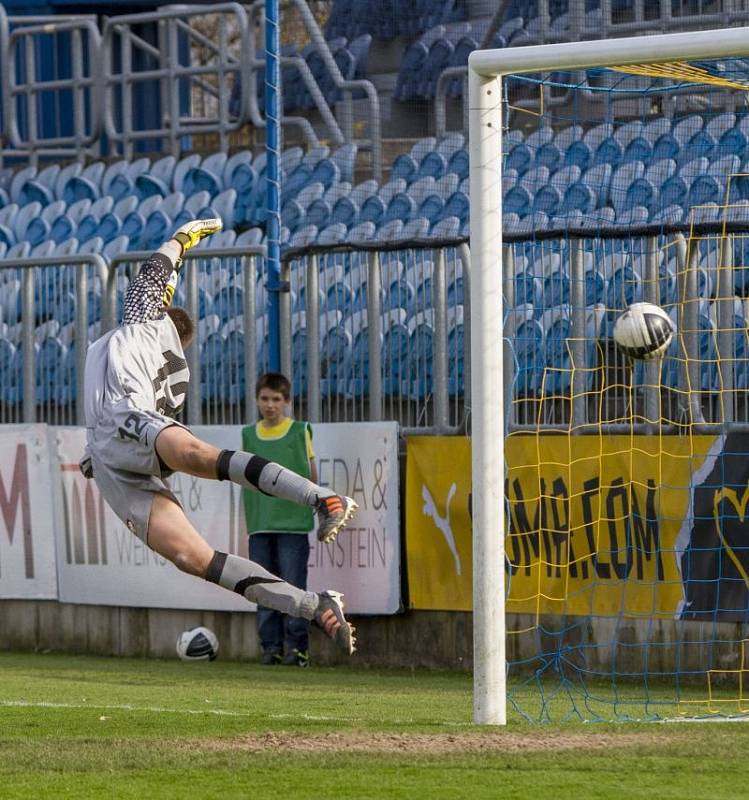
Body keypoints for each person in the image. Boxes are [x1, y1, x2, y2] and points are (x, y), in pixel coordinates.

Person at [79, 219, 359, 655]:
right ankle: (314, 605)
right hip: (112, 450)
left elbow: (152, 278)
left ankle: (321, 498)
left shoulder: (145, 332)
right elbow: (153, 281)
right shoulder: (147, 338)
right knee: (191, 557)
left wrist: (180, 239)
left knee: (195, 453)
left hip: (129, 421)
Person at [243, 372, 320, 667]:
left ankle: (298, 648)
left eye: (276, 399)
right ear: (257, 400)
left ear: (286, 401)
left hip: (292, 523)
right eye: (264, 398)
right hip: (260, 523)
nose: (270, 405)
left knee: (293, 587)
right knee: (262, 588)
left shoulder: (301, 431)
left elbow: (312, 474)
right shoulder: (249, 435)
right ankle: (270, 648)